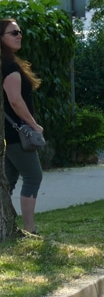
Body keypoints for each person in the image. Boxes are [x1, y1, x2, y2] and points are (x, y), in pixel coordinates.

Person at [1, 18, 43, 235]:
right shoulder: (9, 67)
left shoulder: (8, 64)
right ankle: (30, 229)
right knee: (33, 176)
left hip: (9, 134)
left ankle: (7, 227)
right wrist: (33, 124)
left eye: (19, 32)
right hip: (17, 134)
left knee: (7, 181)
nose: (19, 35)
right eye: (13, 33)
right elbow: (15, 101)